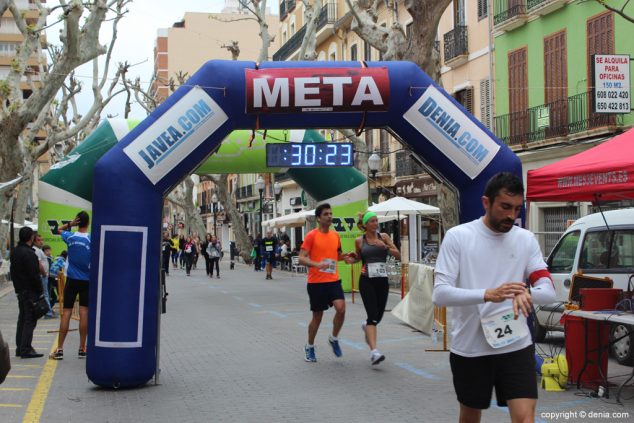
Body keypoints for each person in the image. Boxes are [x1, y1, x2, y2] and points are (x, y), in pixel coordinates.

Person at [432, 172, 557, 423]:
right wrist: (488, 294)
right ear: (486, 203)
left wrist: (527, 293)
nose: (511, 215)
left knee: (524, 418)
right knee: (470, 416)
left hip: (516, 345)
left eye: (517, 209)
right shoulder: (459, 237)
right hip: (471, 348)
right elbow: (440, 294)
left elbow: (549, 290)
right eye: (505, 207)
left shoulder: (525, 239)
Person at [298, 203, 356, 362]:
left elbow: (335, 255)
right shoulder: (311, 235)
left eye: (330, 213)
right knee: (318, 316)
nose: (329, 216)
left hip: (333, 280)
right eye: (326, 214)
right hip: (316, 282)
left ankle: (334, 338)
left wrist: (346, 258)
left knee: (341, 309)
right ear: (318, 218)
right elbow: (301, 258)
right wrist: (316, 264)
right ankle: (309, 346)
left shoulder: (335, 236)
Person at [351, 211, 400, 365]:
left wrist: (384, 247)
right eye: (372, 221)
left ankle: (367, 326)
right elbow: (359, 258)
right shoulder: (359, 241)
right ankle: (374, 352)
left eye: (376, 220)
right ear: (365, 224)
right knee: (372, 315)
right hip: (366, 281)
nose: (375, 223)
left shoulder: (383, 237)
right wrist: (352, 257)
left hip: (382, 281)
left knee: (378, 316)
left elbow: (398, 255)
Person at [50, 211, 91, 360]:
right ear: (88, 223)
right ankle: (82, 348)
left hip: (72, 280)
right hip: (87, 280)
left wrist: (70, 224)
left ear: (78, 222)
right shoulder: (91, 239)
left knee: (66, 313)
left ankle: (60, 349)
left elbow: (58, 230)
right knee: (84, 313)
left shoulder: (70, 237)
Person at [10, 227, 44, 358]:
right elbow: (34, 275)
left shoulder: (15, 252)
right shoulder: (29, 254)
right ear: (31, 238)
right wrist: (40, 291)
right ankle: (26, 348)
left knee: (23, 319)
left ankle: (20, 347)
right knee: (30, 320)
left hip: (20, 290)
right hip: (30, 291)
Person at [33, 234, 53, 318]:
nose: (41, 242)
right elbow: (39, 263)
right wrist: (44, 274)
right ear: (34, 241)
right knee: (45, 294)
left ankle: (46, 311)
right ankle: (48, 312)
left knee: (45, 294)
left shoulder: (39, 250)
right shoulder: (36, 250)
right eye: (38, 240)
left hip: (43, 276)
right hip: (42, 276)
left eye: (41, 240)